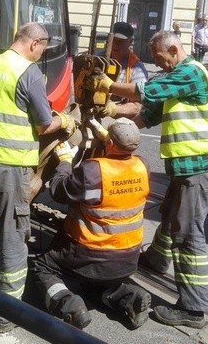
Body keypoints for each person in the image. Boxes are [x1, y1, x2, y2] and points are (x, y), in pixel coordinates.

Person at [85, 30, 208, 329]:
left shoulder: (190, 73)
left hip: (199, 166)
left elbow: (147, 91)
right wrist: (114, 118)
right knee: (169, 215)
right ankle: (156, 259)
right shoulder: (178, 78)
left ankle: (194, 308)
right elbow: (148, 113)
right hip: (186, 166)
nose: (157, 63)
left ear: (174, 51)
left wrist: (109, 85)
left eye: (159, 58)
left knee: (188, 233)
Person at [0, 22, 77, 333]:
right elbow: (43, 125)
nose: (41, 54)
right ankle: (5, 316)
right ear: (34, 44)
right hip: (7, 167)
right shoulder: (29, 72)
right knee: (13, 237)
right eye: (43, 49)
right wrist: (67, 122)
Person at [30, 118, 151, 330]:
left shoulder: (93, 170)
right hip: (128, 258)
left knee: (41, 265)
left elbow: (59, 190)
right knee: (92, 283)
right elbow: (122, 149)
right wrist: (105, 134)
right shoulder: (143, 166)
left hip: (89, 255)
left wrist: (66, 161)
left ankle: (69, 304)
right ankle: (130, 297)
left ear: (110, 143)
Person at [103, 21, 148, 118]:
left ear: (130, 42)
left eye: (120, 42)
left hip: (119, 119)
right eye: (113, 40)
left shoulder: (137, 68)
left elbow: (138, 106)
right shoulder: (99, 59)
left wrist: (111, 109)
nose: (115, 45)